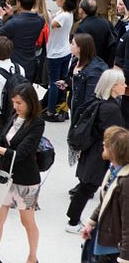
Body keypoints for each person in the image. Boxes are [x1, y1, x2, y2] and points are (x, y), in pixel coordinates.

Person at [0, 84, 45, 263]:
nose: (15, 106)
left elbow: (20, 154)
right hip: (5, 178)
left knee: (27, 221)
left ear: (30, 102)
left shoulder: (37, 124)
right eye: (14, 102)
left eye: (19, 103)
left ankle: (32, 256)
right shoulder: (14, 116)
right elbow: (2, 140)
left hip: (26, 181)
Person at [66, 69, 125, 233]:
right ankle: (73, 221)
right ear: (113, 87)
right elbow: (114, 135)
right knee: (88, 188)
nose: (124, 86)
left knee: (86, 187)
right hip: (100, 155)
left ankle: (73, 219)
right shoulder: (111, 109)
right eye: (122, 83)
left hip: (93, 151)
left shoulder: (99, 102)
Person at [80, 125, 129, 261]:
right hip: (104, 240)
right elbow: (105, 200)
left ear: (113, 150)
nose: (103, 144)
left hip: (114, 249)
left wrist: (125, 257)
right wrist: (91, 222)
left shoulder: (126, 182)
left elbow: (127, 223)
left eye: (105, 143)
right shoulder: (113, 169)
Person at [0, 0, 45, 80]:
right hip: (30, 61)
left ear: (19, 3)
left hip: (15, 62)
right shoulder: (40, 20)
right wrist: (12, 14)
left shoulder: (14, 23)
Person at [45, 0, 77, 120]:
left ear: (64, 0)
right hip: (64, 51)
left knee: (54, 83)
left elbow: (50, 23)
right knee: (62, 82)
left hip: (56, 53)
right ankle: (61, 107)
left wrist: (43, 8)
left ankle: (51, 110)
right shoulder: (64, 13)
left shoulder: (64, 16)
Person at [66, 33, 109, 124]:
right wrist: (67, 85)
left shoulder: (94, 71)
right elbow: (77, 85)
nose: (70, 45)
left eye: (73, 44)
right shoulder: (76, 61)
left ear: (80, 48)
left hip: (83, 115)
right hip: (75, 108)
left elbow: (90, 99)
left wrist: (82, 118)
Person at [76, 0, 118, 67]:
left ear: (81, 10)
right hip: (106, 65)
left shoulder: (82, 28)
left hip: (90, 67)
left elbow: (80, 51)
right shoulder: (106, 23)